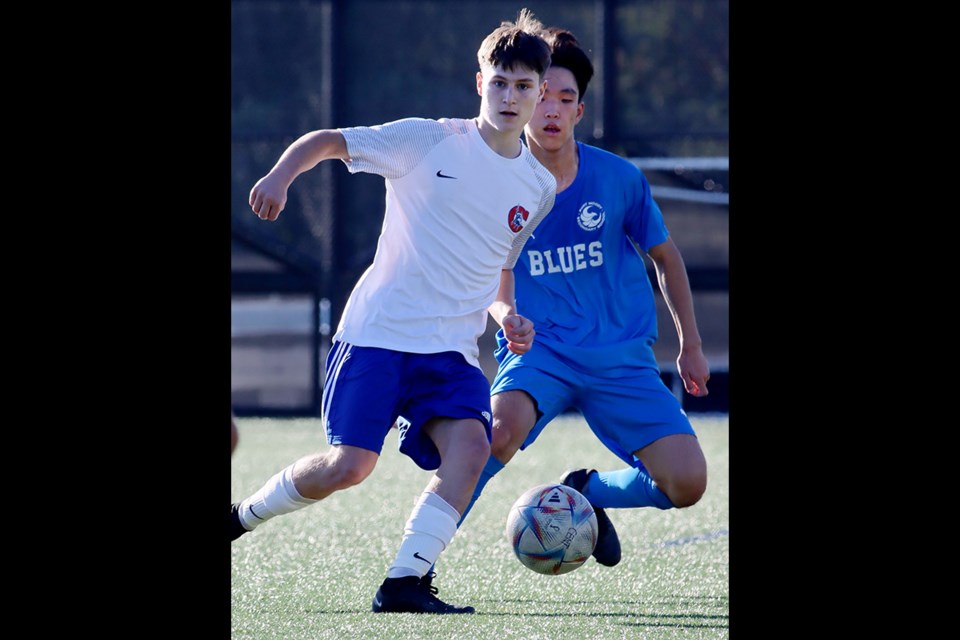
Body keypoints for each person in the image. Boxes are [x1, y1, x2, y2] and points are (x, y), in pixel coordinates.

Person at [230, 9, 555, 615]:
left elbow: (495, 267)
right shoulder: (428, 138)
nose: (511, 96)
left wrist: (506, 312)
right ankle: (242, 516)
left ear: (540, 95)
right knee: (349, 467)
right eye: (500, 82)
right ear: (478, 82)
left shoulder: (537, 188)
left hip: (452, 349)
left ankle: (405, 581)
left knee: (472, 446)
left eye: (524, 86)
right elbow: (328, 141)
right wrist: (280, 175)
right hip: (378, 333)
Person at [424, 25, 711, 592]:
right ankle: (415, 563)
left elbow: (667, 259)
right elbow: (482, 271)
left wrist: (691, 347)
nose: (550, 110)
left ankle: (587, 487)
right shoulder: (493, 181)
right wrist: (504, 315)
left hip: (620, 358)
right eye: (541, 96)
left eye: (564, 99)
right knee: (492, 438)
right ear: (521, 100)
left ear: (580, 110)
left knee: (687, 485)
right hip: (543, 353)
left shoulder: (619, 179)